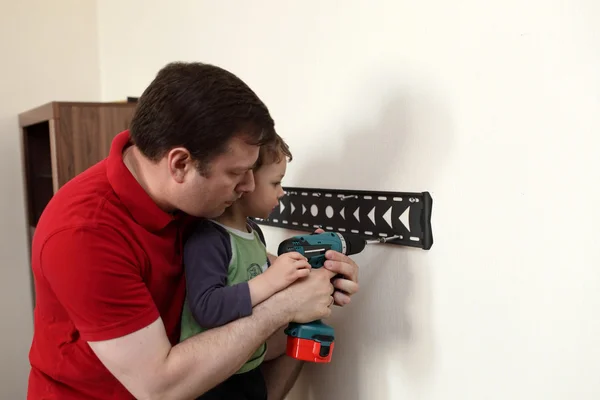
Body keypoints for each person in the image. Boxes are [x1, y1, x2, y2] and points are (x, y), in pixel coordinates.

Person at [27, 61, 360, 400]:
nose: (248, 186)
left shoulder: (195, 201)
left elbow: (242, 273)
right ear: (180, 164)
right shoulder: (83, 234)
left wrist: (308, 276)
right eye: (237, 173)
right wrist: (285, 306)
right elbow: (159, 386)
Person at [180, 133, 306, 399]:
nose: (281, 192)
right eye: (275, 182)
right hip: (214, 381)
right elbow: (206, 307)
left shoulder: (253, 231)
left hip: (247, 365)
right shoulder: (209, 239)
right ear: (245, 181)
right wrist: (271, 280)